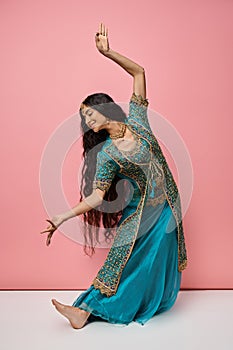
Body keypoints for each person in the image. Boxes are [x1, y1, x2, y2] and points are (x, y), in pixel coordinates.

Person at [40, 22, 188, 329]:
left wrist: (108, 53)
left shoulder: (138, 119)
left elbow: (140, 73)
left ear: (105, 108)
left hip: (166, 207)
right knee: (120, 261)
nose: (88, 120)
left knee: (148, 263)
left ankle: (114, 308)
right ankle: (84, 310)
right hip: (138, 213)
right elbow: (96, 196)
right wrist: (62, 216)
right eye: (84, 118)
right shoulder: (105, 154)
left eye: (90, 113)